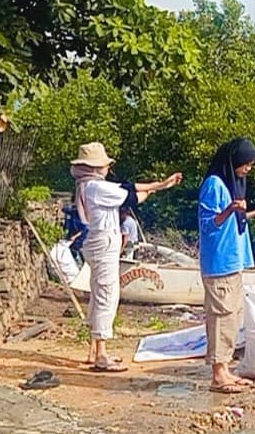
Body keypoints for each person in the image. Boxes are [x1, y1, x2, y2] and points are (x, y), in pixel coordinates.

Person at [70, 142, 182, 372]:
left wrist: (159, 184)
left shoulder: (86, 185)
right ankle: (101, 354)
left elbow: (126, 186)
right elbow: (131, 197)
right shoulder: (96, 188)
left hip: (96, 241)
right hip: (104, 241)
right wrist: (155, 189)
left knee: (98, 293)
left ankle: (94, 350)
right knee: (106, 294)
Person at [198, 138, 255, 392]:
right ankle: (218, 374)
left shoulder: (232, 185)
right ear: (234, 162)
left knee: (233, 317)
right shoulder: (214, 185)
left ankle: (226, 369)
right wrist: (231, 208)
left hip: (233, 262)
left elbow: (235, 218)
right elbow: (209, 224)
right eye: (246, 164)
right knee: (221, 317)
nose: (248, 169)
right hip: (219, 263)